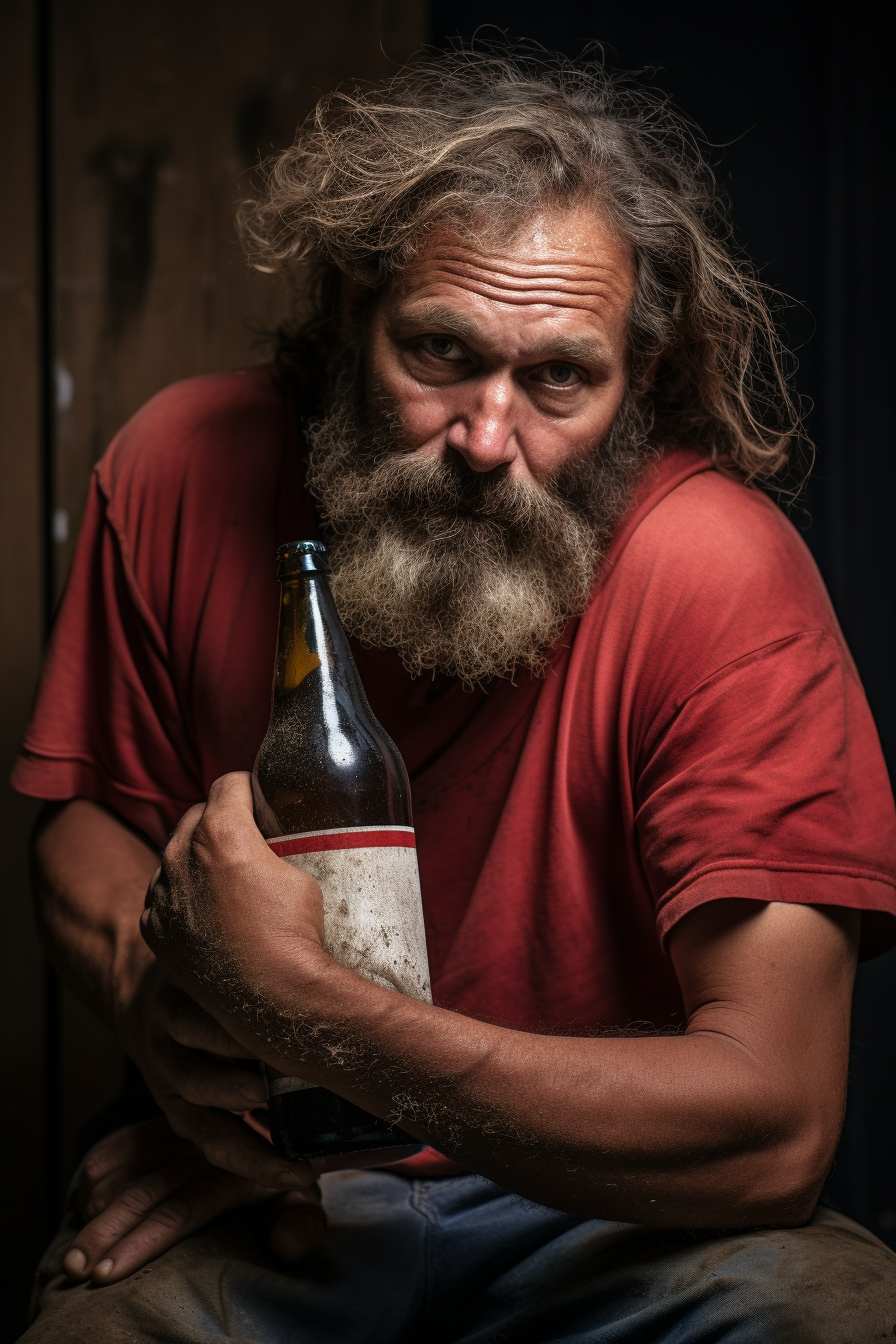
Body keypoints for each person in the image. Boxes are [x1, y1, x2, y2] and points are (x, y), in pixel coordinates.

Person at [13, 45, 896, 1343]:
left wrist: (322, 1027)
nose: (487, 439)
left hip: (617, 1211)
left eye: (559, 379)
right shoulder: (176, 467)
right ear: (350, 316)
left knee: (837, 1313)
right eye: (438, 351)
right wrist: (166, 1009)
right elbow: (81, 830)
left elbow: (775, 1130)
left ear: (636, 381)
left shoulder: (722, 572)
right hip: (269, 1186)